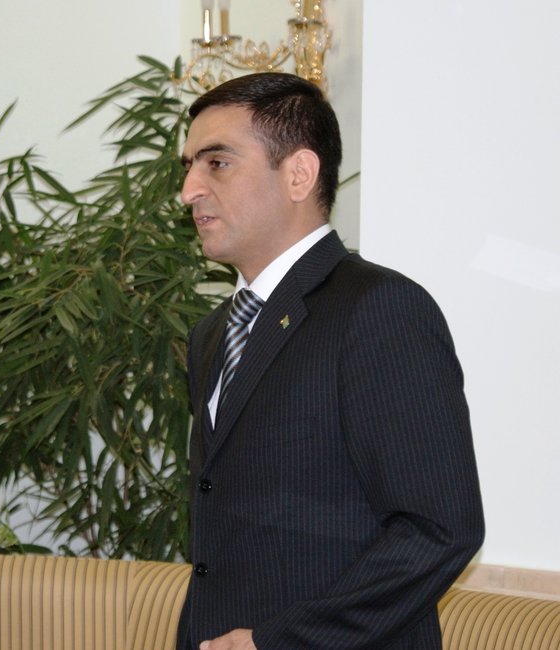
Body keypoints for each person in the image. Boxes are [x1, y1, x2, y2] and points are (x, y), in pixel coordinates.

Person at [175, 72, 484, 649]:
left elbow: (439, 530)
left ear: (299, 174)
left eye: (217, 163)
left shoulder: (379, 309)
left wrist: (277, 641)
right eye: (189, 167)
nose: (189, 189)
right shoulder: (211, 334)